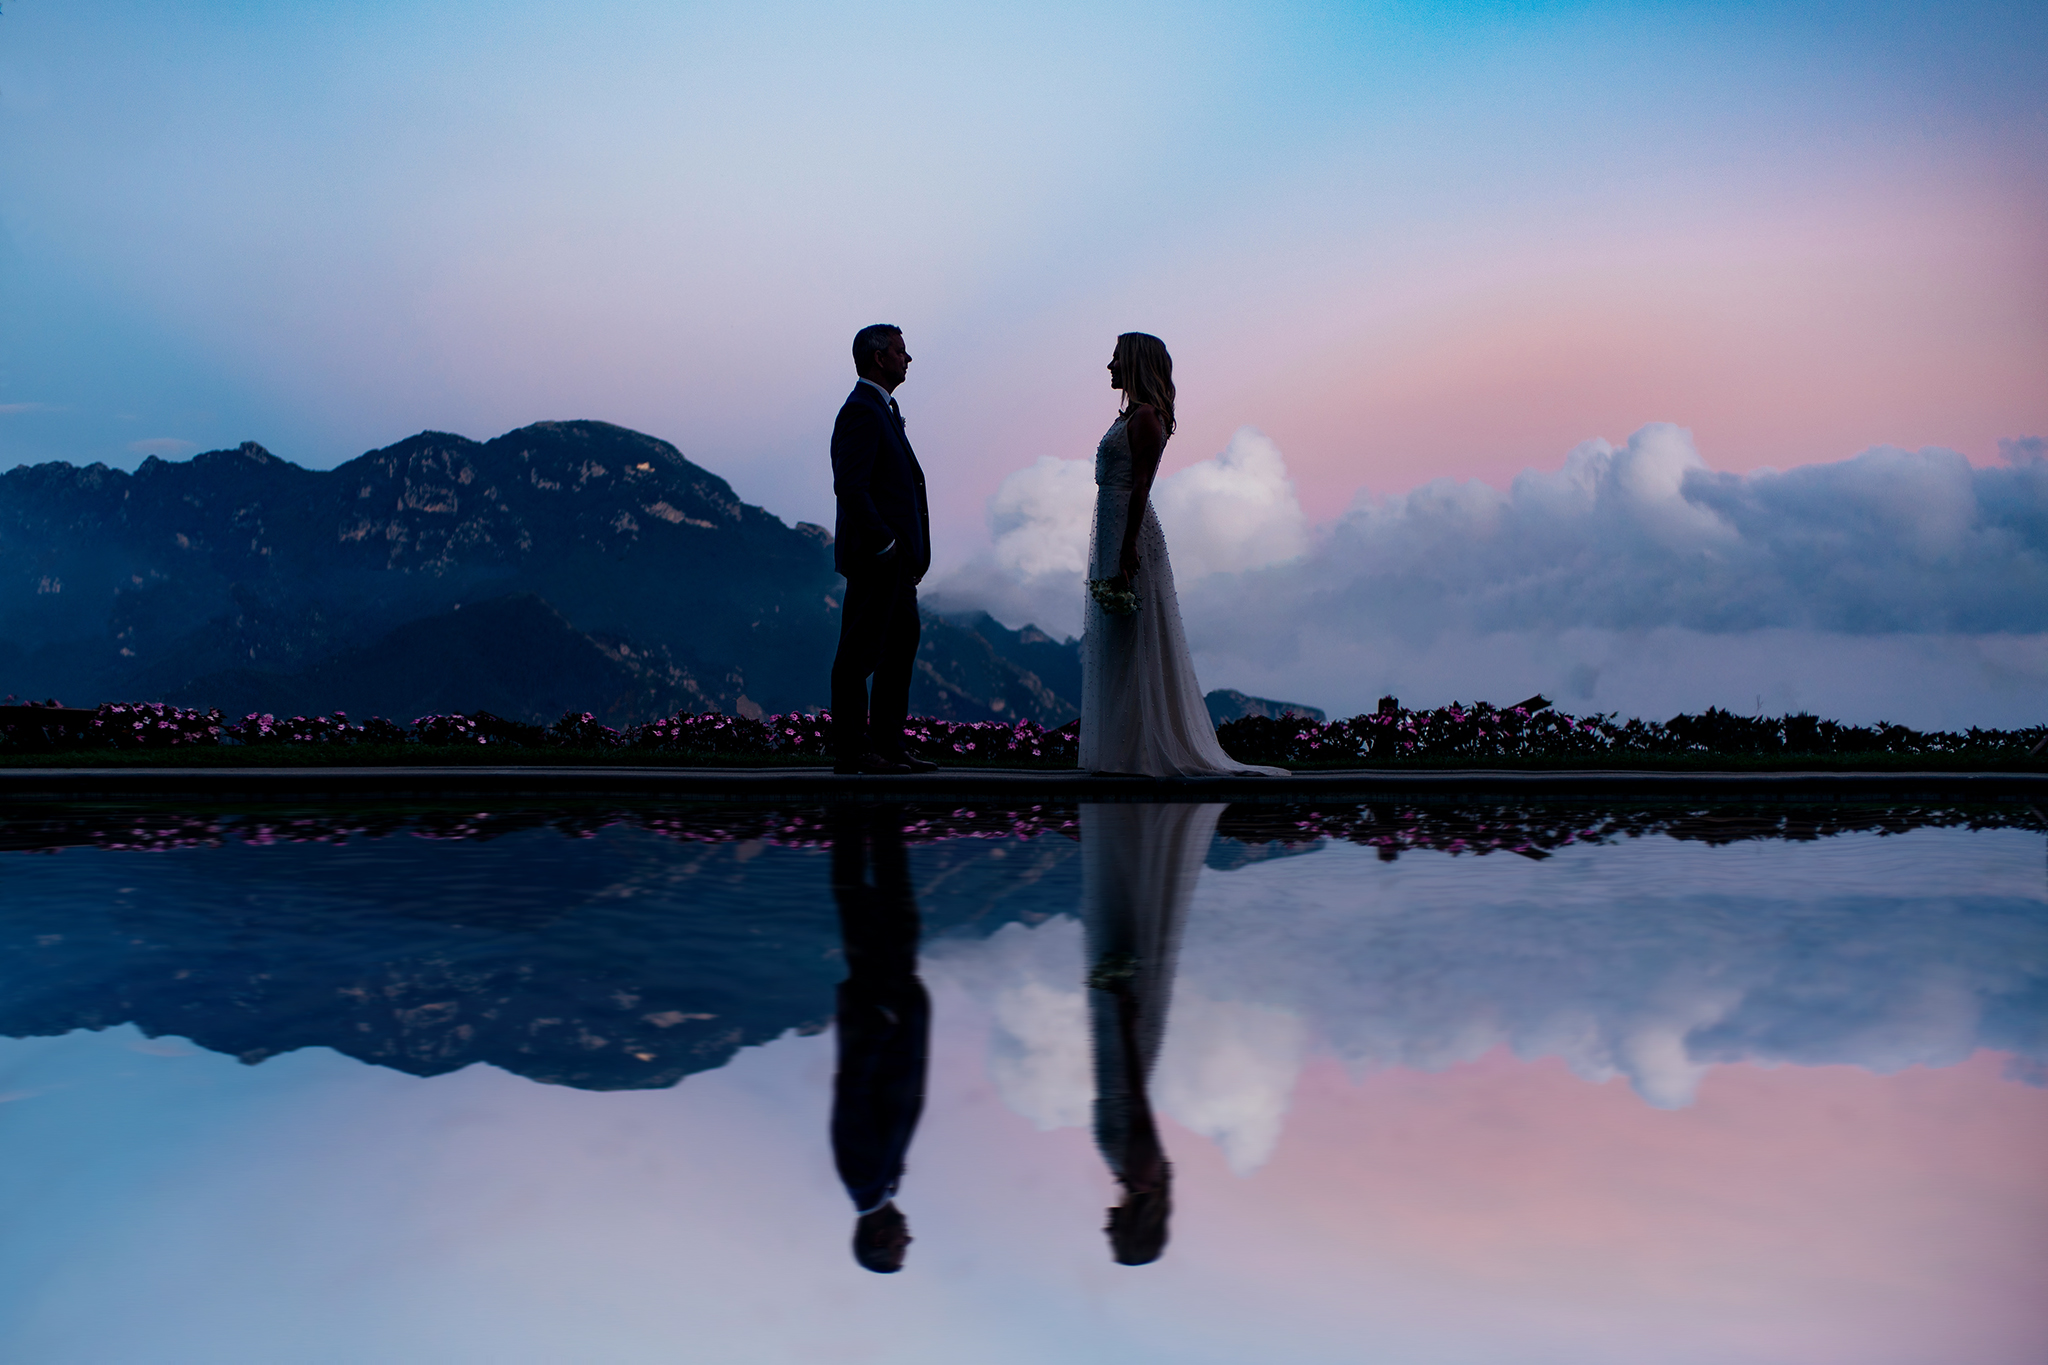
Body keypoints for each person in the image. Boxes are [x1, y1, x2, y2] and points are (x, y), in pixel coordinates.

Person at [1080, 333, 1290, 777]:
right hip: (1112, 526)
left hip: (1128, 531)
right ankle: (1123, 750)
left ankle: (1141, 751)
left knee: (1136, 636)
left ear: (1135, 363)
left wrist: (1127, 544)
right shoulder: (1129, 416)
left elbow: (1142, 485)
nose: (1109, 366)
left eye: (1116, 358)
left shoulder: (1147, 419)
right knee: (1117, 640)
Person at [1082, 801, 1229, 1265]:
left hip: (1113, 1054)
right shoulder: (1142, 1173)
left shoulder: (1131, 1176)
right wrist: (1125, 1022)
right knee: (1125, 938)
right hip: (1121, 1052)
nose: (1107, 1227)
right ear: (1134, 1227)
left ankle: (1124, 837)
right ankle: (1134, 833)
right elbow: (1137, 1102)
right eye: (1115, 1235)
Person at [829, 324, 938, 775]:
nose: (907, 358)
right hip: (879, 559)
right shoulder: (862, 411)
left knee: (900, 646)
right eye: (900, 351)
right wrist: (886, 544)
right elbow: (851, 487)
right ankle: (854, 752)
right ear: (878, 358)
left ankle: (889, 745)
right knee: (859, 654)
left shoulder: (883, 411)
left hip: (898, 564)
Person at [828, 804, 930, 1272]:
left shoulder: (862, 1177)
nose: (908, 1238)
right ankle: (879, 809)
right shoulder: (881, 1183)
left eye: (900, 1247)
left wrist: (880, 1024)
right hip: (892, 1002)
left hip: (879, 1004)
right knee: (895, 904)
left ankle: (852, 804)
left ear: (880, 1239)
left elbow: (851, 1093)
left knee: (863, 900)